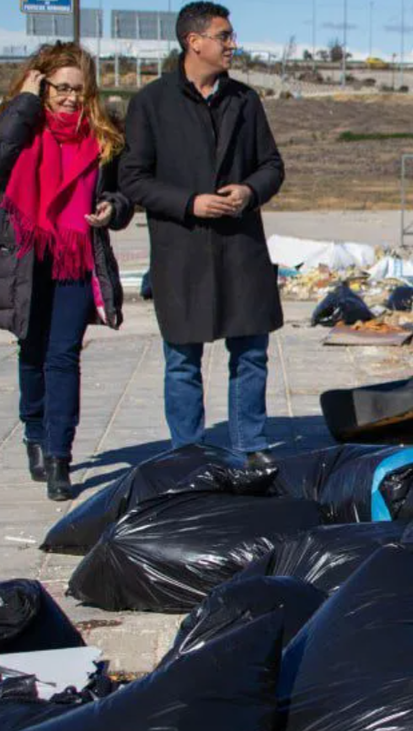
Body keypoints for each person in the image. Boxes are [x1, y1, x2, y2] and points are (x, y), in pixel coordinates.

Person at [120, 2, 285, 469]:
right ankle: (188, 454)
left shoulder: (244, 100)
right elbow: (133, 179)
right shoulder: (151, 103)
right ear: (194, 42)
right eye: (224, 36)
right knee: (182, 360)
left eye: (231, 36)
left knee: (251, 353)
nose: (233, 44)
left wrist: (249, 191)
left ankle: (249, 445)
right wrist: (189, 202)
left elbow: (272, 166)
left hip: (240, 246)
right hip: (183, 249)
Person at [0, 43, 131, 501]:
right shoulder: (21, 124)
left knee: (64, 355)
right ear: (41, 87)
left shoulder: (105, 138)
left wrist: (111, 208)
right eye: (59, 88)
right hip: (26, 254)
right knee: (32, 348)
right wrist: (24, 101)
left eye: (78, 91)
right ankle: (35, 435)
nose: (69, 98)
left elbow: (124, 195)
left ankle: (60, 456)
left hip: (76, 255)